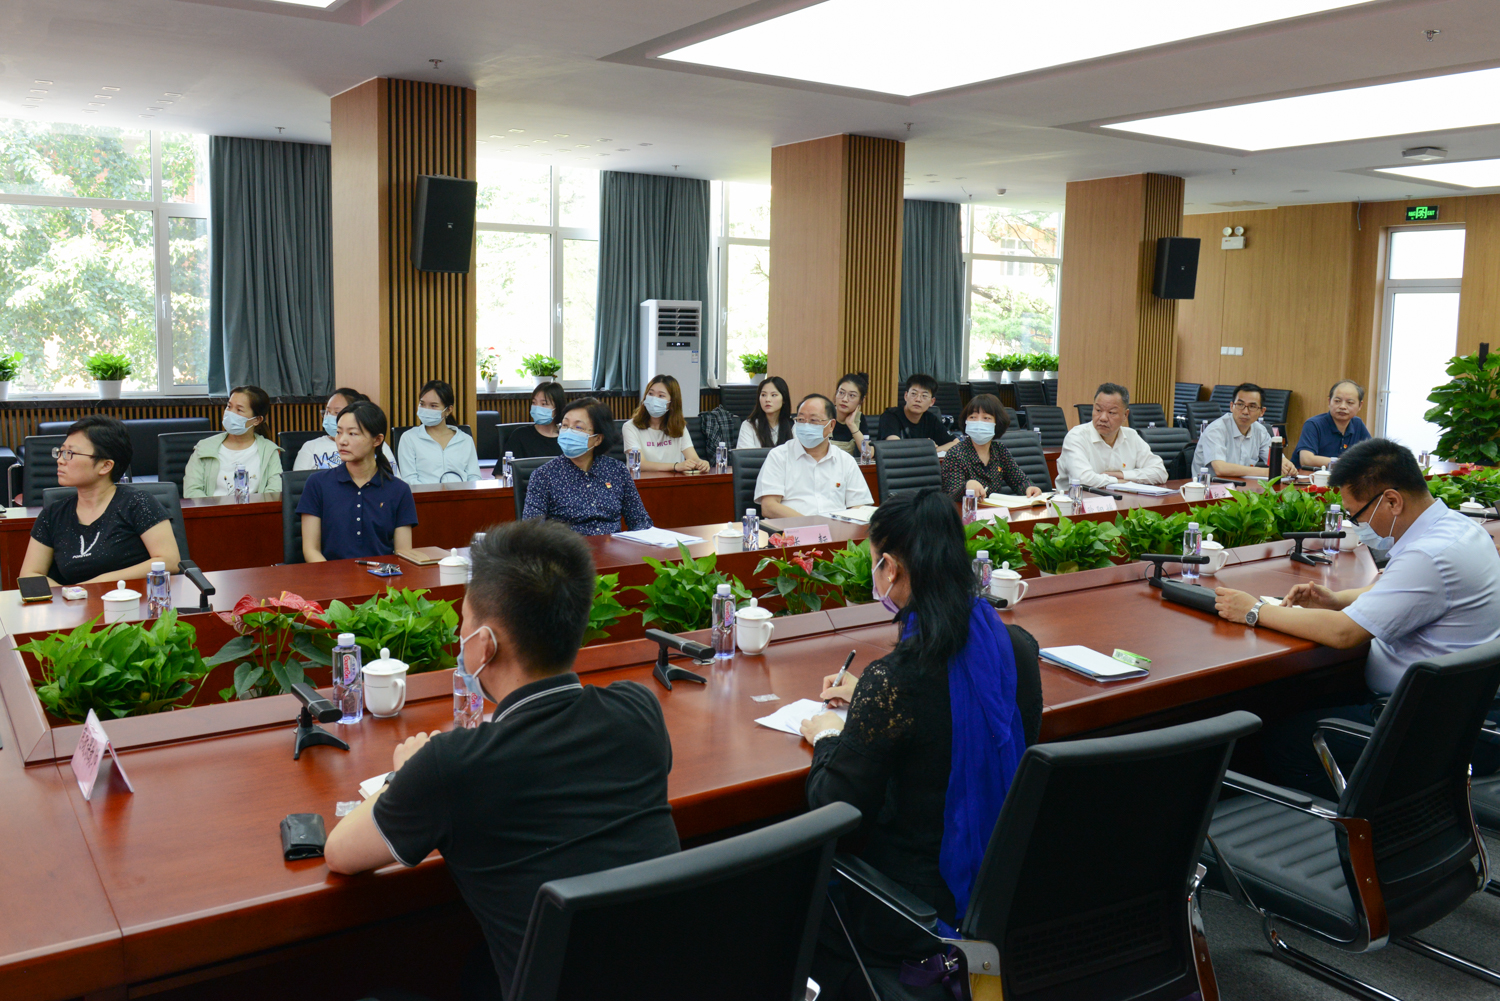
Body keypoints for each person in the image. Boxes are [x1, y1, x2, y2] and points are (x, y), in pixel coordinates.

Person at [325, 520, 679, 999]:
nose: (459, 634)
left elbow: (340, 852)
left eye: (464, 622)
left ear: (485, 645)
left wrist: (403, 774)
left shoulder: (452, 765)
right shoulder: (638, 711)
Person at [797, 489, 1040, 998]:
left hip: (914, 910)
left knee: (792, 895)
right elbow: (951, 707)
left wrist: (828, 734)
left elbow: (835, 811)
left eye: (874, 563)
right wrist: (871, 698)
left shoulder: (896, 680)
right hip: (1008, 888)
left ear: (890, 568)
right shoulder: (1014, 647)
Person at [1212, 438, 1500, 796]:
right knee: (1295, 704)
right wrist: (1336, 599)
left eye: (1357, 515)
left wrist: (1254, 611)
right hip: (1464, 715)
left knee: (1279, 741)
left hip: (1421, 725)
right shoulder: (1460, 529)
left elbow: (1344, 634)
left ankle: (1365, 818)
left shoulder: (1428, 555)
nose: (1356, 524)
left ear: (1392, 501)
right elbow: (1400, 592)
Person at [21, 415, 180, 585]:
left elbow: (169, 561)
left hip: (133, 598)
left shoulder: (138, 503)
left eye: (69, 453)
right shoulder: (52, 514)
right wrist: (70, 593)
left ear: (105, 466)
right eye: (60, 452)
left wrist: (96, 584)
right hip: (73, 601)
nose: (60, 460)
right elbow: (29, 575)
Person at [298, 400, 418, 562]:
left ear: (377, 440)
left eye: (352, 434)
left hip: (381, 575)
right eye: (339, 432)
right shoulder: (317, 484)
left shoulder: (399, 490)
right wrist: (330, 577)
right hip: (331, 575)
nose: (342, 441)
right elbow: (311, 550)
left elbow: (403, 553)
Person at [522, 397, 652, 535]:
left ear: (597, 439)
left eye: (578, 427)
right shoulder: (543, 476)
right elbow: (531, 532)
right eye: (565, 425)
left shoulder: (617, 471)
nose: (569, 432)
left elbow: (641, 521)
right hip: (568, 546)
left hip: (612, 546)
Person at [754, 394, 874, 518]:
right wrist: (810, 525)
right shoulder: (779, 456)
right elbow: (769, 507)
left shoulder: (845, 460)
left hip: (836, 528)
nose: (806, 425)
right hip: (791, 528)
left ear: (831, 426)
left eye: (814, 420)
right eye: (801, 420)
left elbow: (859, 506)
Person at [1055, 382, 1167, 489]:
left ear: (1125, 415)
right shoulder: (1077, 437)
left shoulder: (1131, 436)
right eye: (1098, 410)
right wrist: (1117, 481)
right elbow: (1082, 479)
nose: (1103, 418)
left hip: (1123, 500)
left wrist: (1122, 475)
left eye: (1111, 412)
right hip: (1080, 501)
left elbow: (1160, 472)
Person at [183, 385, 283, 497]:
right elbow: (192, 490)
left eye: (239, 410)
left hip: (255, 508)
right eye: (229, 406)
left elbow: (274, 492)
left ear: (257, 420)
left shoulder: (269, 451)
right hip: (211, 508)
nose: (230, 413)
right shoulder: (204, 447)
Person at [941, 394, 1041, 500]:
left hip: (995, 509)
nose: (978, 422)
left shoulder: (1000, 450)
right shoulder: (956, 454)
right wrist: (967, 486)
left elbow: (1019, 481)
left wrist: (1029, 488)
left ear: (997, 423)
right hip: (968, 509)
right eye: (973, 417)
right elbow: (951, 494)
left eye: (986, 418)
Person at [1192, 382, 1297, 480]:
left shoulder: (1260, 431)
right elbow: (1220, 468)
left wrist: (1288, 466)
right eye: (1240, 405)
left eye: (1252, 406)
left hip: (1243, 486)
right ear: (1231, 406)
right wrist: (1267, 472)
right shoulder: (1216, 430)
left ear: (1262, 411)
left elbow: (1277, 460)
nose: (1245, 411)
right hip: (1210, 488)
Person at [293, 387, 400, 473]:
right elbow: (297, 486)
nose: (329, 417)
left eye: (337, 412)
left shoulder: (376, 445)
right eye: (327, 411)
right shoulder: (311, 447)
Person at [397, 379, 481, 484]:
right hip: (424, 494)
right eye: (422, 404)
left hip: (461, 493)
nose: (426, 409)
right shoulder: (409, 438)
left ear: (448, 410)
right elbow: (409, 479)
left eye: (433, 406)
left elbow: (474, 476)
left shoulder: (465, 440)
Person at [621, 374, 710, 473]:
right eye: (650, 394)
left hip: (672, 481)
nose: (654, 399)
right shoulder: (630, 427)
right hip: (643, 481)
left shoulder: (679, 427)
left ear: (672, 402)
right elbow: (638, 464)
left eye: (661, 396)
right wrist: (675, 466)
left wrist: (701, 463)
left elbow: (693, 458)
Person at [1296, 380, 1371, 469]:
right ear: (1329, 402)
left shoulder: (1357, 424)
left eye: (1350, 403)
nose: (1342, 406)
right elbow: (1306, 460)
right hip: (1308, 476)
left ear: (1360, 405)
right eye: (1337, 401)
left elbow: (1373, 456)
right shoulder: (1313, 424)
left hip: (1342, 476)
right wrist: (1346, 463)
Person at [878, 374, 956, 449]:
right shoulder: (890, 416)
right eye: (914, 394)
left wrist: (933, 450)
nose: (918, 399)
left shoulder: (931, 419)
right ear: (906, 396)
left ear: (932, 402)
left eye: (924, 396)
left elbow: (956, 443)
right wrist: (924, 445)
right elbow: (894, 445)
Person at [502, 381, 565, 459]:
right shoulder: (520, 435)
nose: (537, 408)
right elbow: (503, 466)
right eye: (534, 402)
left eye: (544, 404)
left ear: (558, 407)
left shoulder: (567, 439)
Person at [738, 375, 793, 449]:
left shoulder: (793, 426)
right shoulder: (749, 425)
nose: (767, 399)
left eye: (773, 395)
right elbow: (746, 455)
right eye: (763, 395)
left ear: (784, 399)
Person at [828, 372, 870, 457]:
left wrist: (851, 425)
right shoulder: (824, 414)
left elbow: (868, 453)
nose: (844, 399)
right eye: (841, 393)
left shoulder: (859, 418)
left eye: (852, 395)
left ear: (862, 400)